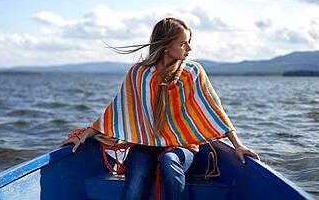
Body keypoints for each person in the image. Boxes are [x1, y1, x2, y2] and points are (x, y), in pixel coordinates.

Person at [61, 17, 260, 200]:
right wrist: (83, 135)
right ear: (166, 45)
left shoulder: (193, 72)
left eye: (189, 42)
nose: (189, 48)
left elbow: (213, 110)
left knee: (169, 161)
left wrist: (237, 145)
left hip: (182, 146)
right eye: (183, 43)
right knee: (135, 184)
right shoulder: (139, 74)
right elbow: (117, 111)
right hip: (145, 144)